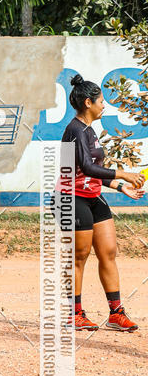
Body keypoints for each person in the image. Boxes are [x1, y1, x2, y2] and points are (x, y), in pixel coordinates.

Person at [61, 74, 144, 331]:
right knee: (80, 256)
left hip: (94, 197)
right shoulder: (75, 130)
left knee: (108, 253)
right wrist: (123, 173)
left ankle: (116, 313)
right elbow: (86, 167)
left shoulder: (89, 130)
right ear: (88, 103)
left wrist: (121, 187)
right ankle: (74, 314)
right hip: (72, 199)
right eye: (101, 101)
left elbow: (95, 171)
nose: (104, 105)